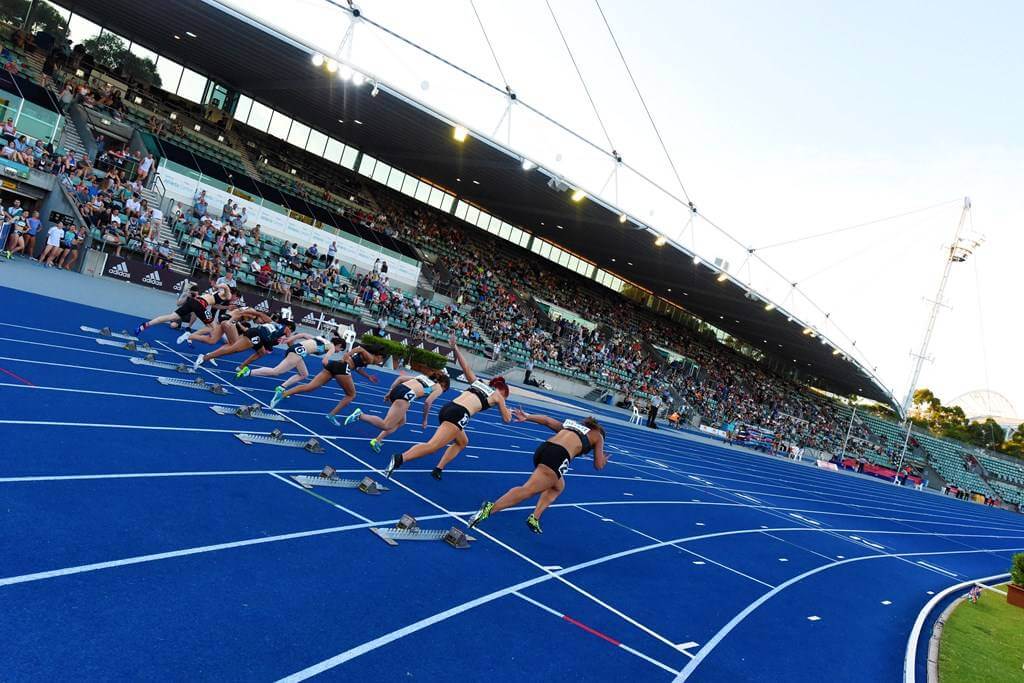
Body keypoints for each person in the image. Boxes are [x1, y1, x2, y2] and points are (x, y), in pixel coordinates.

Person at [384, 334, 511, 480]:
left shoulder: (478, 383)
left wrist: (454, 347)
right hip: (459, 414)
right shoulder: (498, 396)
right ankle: (400, 458)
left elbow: (466, 367)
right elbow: (507, 419)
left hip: (449, 407)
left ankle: (438, 468)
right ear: (503, 392)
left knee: (462, 442)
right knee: (432, 446)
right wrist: (504, 405)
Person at [468, 408, 607, 533]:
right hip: (558, 456)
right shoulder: (598, 436)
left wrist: (527, 417)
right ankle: (489, 509)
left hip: (544, 449)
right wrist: (604, 459)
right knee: (528, 490)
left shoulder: (572, 425)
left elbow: (546, 420)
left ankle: (535, 517)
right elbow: (598, 465)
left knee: (558, 486)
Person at [269, 343, 386, 420]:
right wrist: (347, 355)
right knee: (351, 395)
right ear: (378, 356)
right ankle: (332, 415)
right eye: (381, 360)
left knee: (310, 386)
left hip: (334, 365)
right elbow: (359, 348)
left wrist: (368, 377)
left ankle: (283, 394)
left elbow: (357, 368)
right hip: (342, 368)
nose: (379, 362)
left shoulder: (368, 359)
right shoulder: (370, 358)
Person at [343, 369, 451, 452]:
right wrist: (425, 420)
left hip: (398, 389)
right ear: (444, 385)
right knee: (386, 425)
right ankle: (360, 415)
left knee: (402, 421)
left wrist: (390, 393)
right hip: (405, 396)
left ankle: (377, 440)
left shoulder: (422, 377)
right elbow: (428, 402)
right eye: (445, 390)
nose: (443, 392)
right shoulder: (438, 388)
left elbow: (400, 378)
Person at [236, 333, 342, 393]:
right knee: (276, 371)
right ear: (338, 345)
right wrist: (331, 372)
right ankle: (248, 372)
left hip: (296, 350)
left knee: (304, 374)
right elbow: (325, 361)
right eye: (340, 349)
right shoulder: (331, 347)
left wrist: (290, 339)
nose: (338, 351)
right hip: (297, 353)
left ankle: (282, 387)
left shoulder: (321, 339)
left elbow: (303, 334)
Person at [135, 282, 236, 337]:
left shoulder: (217, 294)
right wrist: (218, 286)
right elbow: (226, 286)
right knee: (212, 327)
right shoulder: (228, 295)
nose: (235, 299)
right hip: (201, 305)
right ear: (234, 294)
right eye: (236, 297)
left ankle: (145, 325)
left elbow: (214, 306)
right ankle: (190, 337)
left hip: (194, 301)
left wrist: (225, 305)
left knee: (171, 316)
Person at [193, 316, 297, 370]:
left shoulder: (277, 325)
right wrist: (294, 351)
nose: (290, 332)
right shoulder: (286, 329)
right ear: (290, 328)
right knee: (232, 349)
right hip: (255, 335)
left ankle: (241, 367)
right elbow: (290, 341)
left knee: (262, 352)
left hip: (257, 334)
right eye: (291, 331)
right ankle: (204, 357)